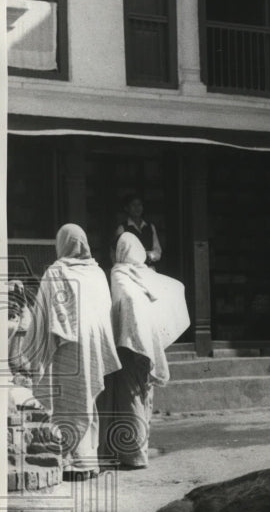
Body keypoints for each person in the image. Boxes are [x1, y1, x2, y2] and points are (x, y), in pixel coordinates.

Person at [21, 224, 121, 480]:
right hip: (93, 345)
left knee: (66, 402)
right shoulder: (97, 273)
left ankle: (70, 463)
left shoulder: (56, 272)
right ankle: (87, 461)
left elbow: (42, 316)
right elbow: (104, 310)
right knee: (86, 399)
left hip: (68, 346)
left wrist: (28, 347)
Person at [100, 233, 190, 469]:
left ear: (120, 251)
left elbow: (127, 301)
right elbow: (175, 289)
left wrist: (131, 332)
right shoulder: (146, 274)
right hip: (147, 343)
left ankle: (134, 455)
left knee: (130, 398)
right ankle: (137, 450)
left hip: (130, 344)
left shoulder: (119, 273)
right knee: (143, 396)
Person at [114, 195, 162, 269]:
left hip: (149, 269)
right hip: (131, 270)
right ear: (127, 208)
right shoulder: (122, 228)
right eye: (133, 205)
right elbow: (118, 254)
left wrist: (149, 255)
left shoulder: (150, 227)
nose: (137, 208)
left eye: (139, 205)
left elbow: (157, 251)